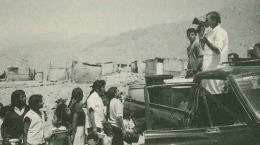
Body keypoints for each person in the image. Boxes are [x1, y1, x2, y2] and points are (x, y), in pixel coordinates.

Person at [200, 11, 228, 94]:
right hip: (209, 70)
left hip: (215, 69)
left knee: (215, 94)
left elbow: (217, 50)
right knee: (208, 93)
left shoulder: (219, 31)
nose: (205, 21)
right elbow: (205, 49)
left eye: (207, 19)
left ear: (214, 20)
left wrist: (207, 41)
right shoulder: (210, 32)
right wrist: (201, 36)